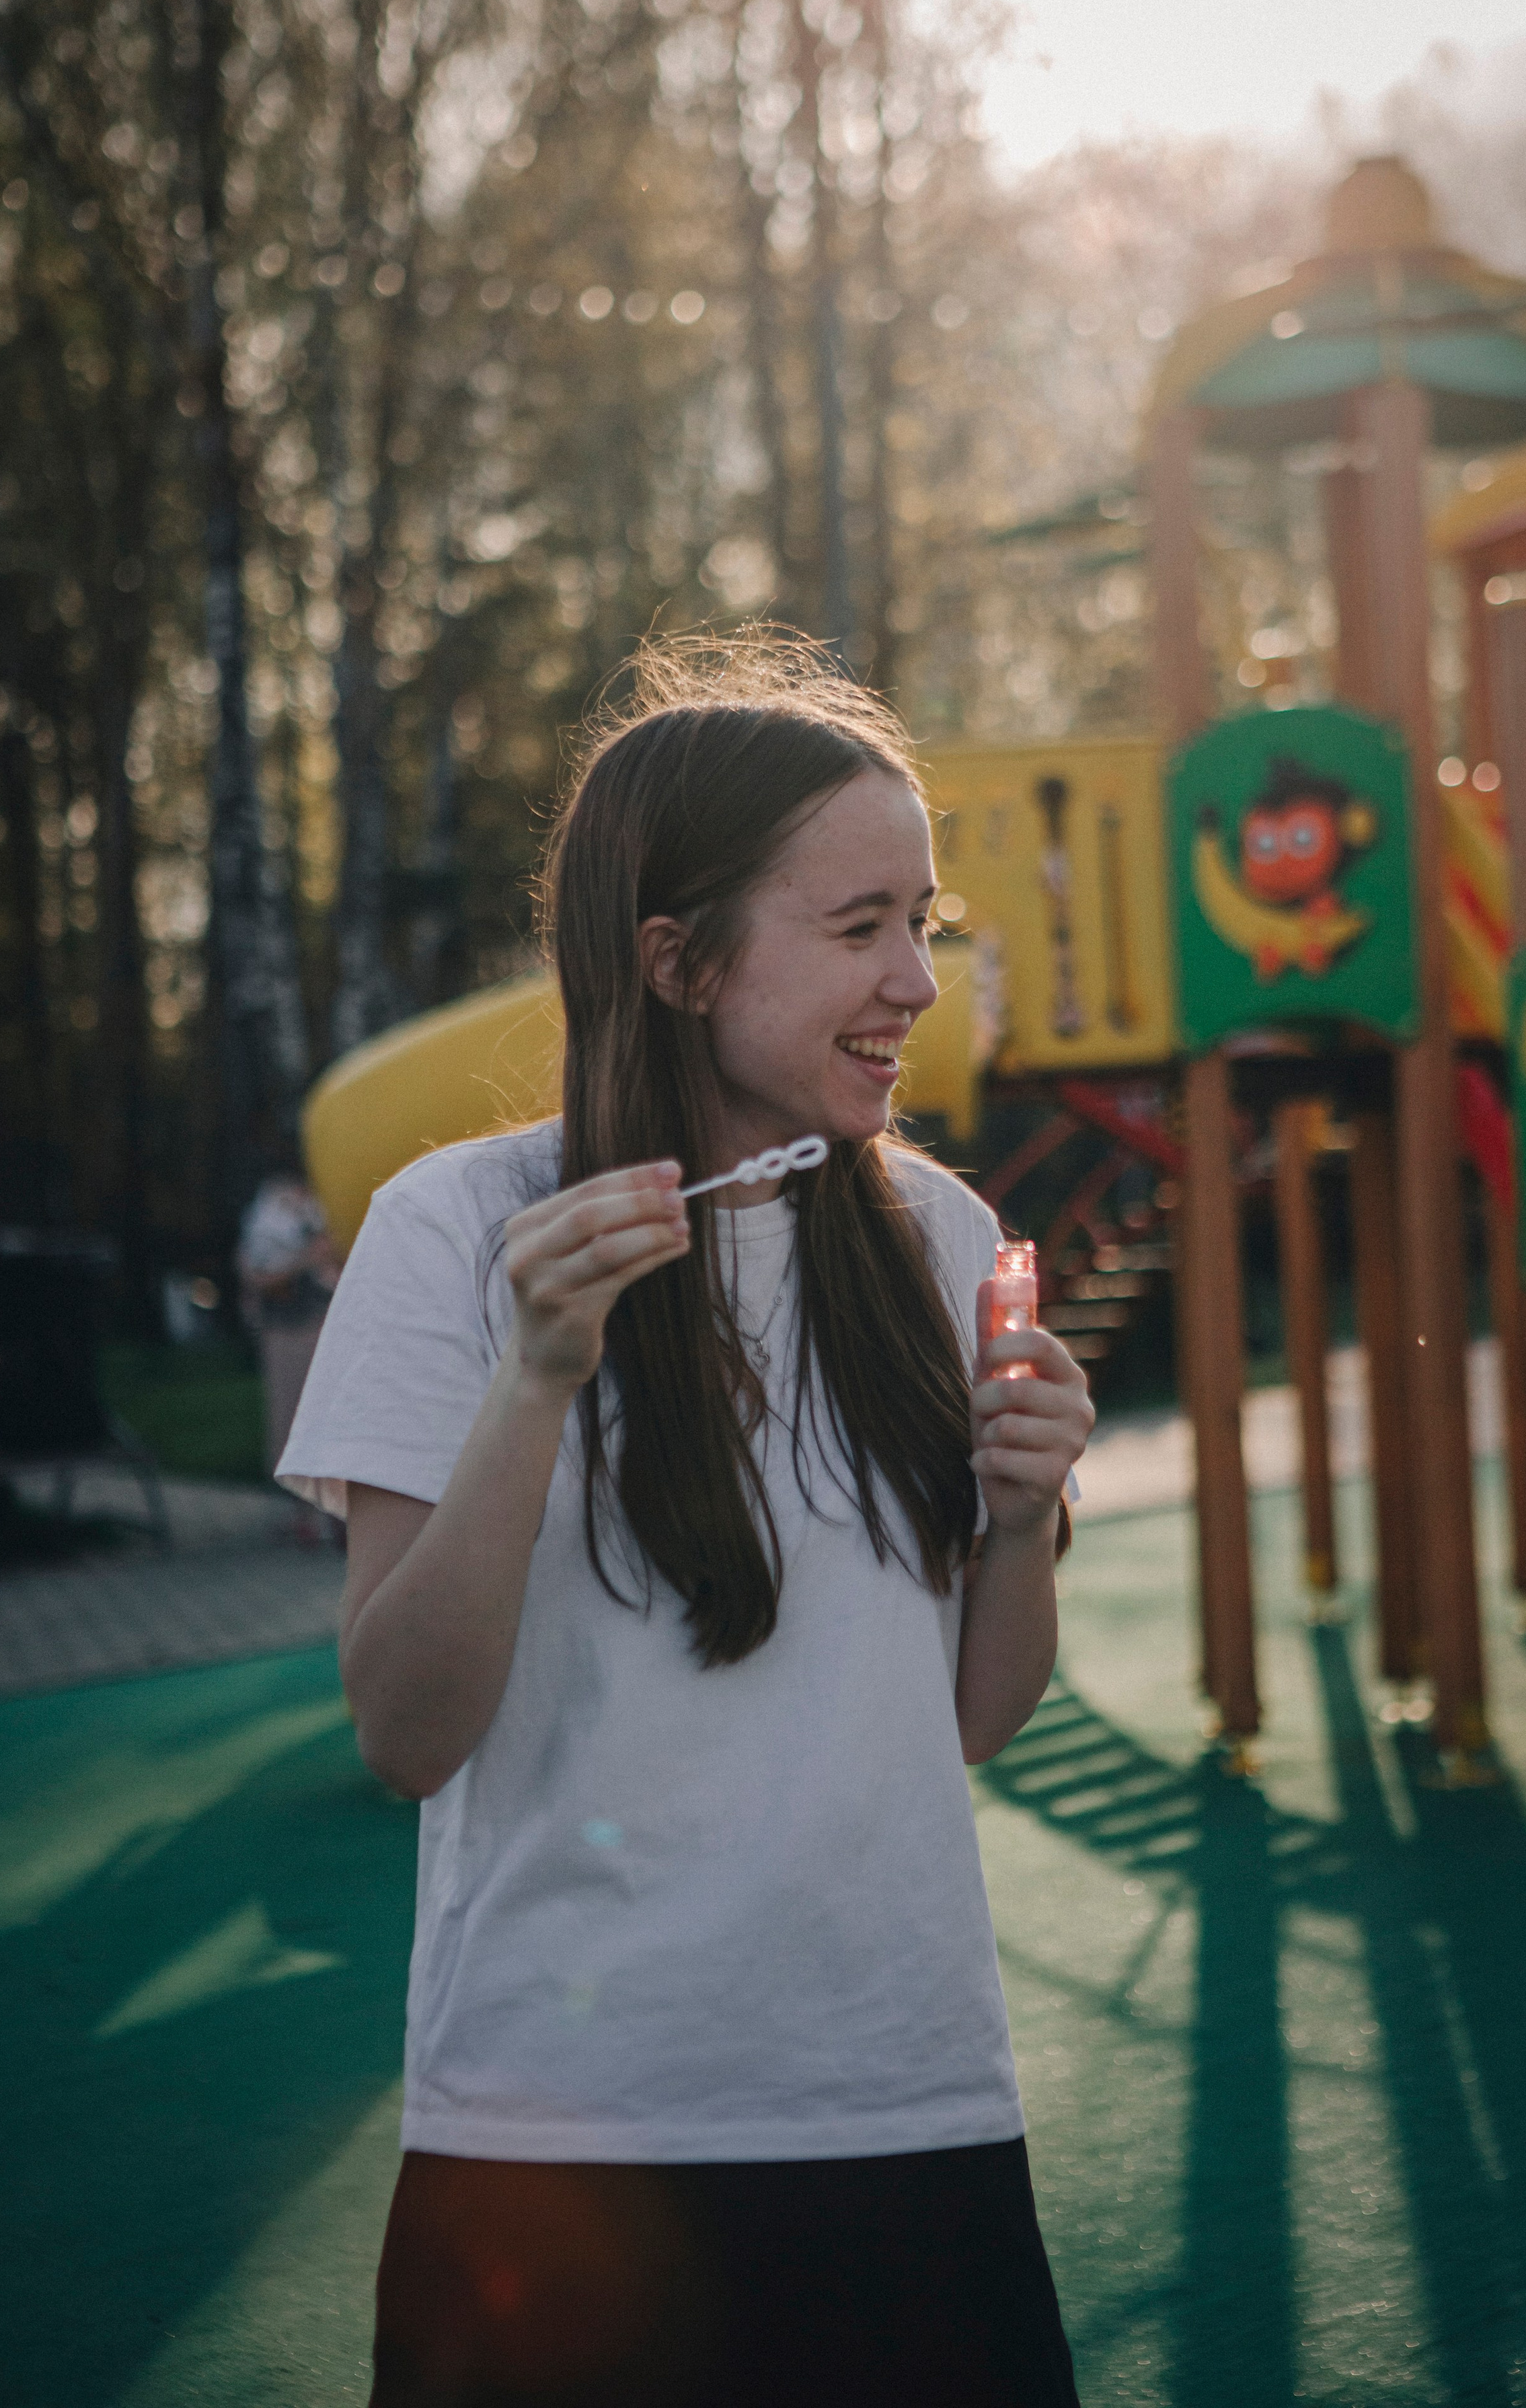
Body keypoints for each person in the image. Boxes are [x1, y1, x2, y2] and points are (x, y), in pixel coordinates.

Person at [278, 632, 1094, 2408]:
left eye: (923, 926)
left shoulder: (944, 1239)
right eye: (859, 926)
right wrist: (540, 1372)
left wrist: (1021, 1522)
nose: (915, 985)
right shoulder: (455, 1228)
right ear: (677, 957)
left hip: (913, 2114)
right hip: (558, 2162)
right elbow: (405, 1731)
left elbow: (972, 1721)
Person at [237, 1172, 341, 1533]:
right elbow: (254, 1274)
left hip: (322, 1327)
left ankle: (337, 1518)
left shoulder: (330, 1204)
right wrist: (304, 1261)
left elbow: (336, 1266)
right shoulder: (265, 1214)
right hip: (283, 1332)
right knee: (291, 1420)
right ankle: (304, 1516)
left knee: (331, 1419)